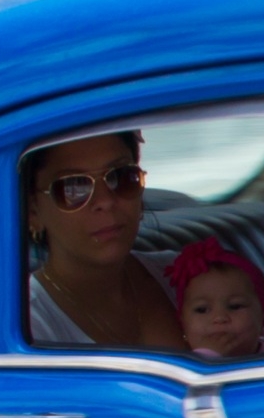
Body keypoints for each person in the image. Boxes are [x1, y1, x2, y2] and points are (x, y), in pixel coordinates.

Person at [27, 131, 187, 350]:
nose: (106, 201)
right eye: (73, 187)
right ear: (33, 211)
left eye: (121, 177)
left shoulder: (183, 276)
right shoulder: (26, 324)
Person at [167, 237, 264, 358]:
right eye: (202, 310)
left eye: (235, 306)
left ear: (262, 318)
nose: (219, 318)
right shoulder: (180, 370)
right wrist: (208, 357)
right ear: (183, 324)